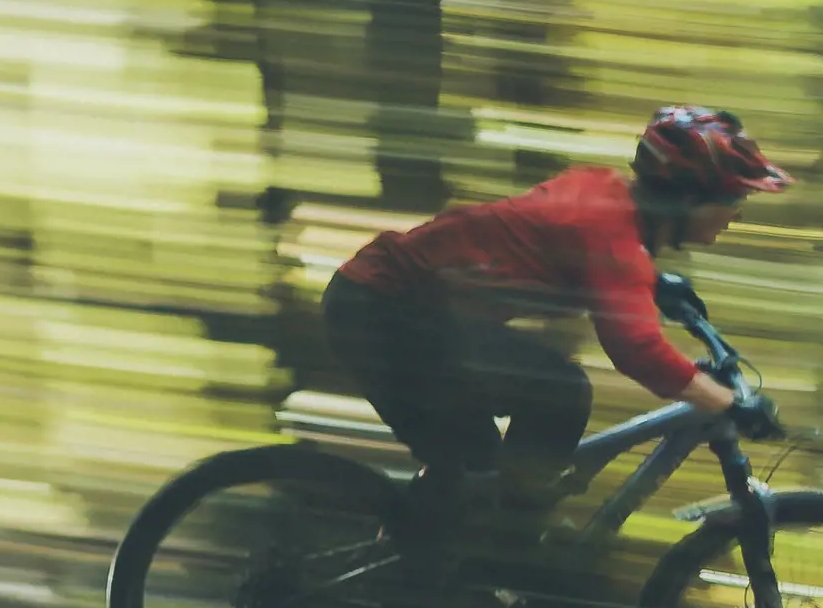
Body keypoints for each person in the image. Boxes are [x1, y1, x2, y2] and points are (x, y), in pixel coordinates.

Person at [321, 105, 788, 569]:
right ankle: (502, 557)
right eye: (731, 200)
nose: (736, 213)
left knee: (479, 470)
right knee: (556, 395)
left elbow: (567, 247)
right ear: (688, 198)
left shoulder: (604, 195)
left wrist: (651, 282)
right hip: (381, 311)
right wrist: (727, 403)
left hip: (391, 306)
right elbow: (637, 350)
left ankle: (448, 562)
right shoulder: (613, 240)